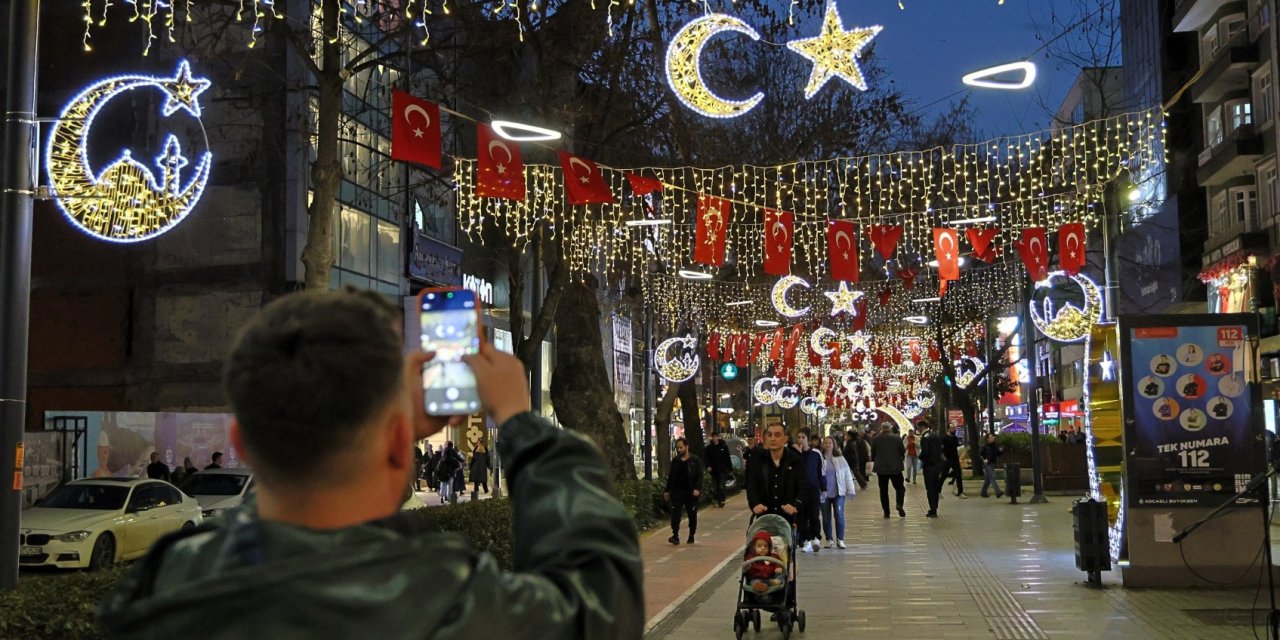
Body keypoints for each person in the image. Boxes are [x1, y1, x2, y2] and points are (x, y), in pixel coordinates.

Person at [98, 288, 643, 639]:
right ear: (398, 437)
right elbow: (601, 605)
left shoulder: (158, 590)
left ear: (240, 443)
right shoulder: (452, 603)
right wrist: (523, 424)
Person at [746, 423, 806, 521]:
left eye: (777, 435)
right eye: (769, 435)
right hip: (764, 517)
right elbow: (751, 486)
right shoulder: (758, 460)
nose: (773, 439)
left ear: (785, 438)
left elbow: (804, 487)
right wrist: (755, 504)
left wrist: (795, 505)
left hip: (789, 519)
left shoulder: (795, 460)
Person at [819, 436, 857, 549]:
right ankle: (829, 539)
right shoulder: (819, 458)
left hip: (838, 492)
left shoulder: (840, 458)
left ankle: (840, 539)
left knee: (839, 515)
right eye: (825, 443)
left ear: (834, 444)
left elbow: (847, 474)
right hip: (824, 493)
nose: (827, 445)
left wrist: (851, 490)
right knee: (826, 516)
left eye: (830, 443)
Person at [664, 437, 702, 545]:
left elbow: (700, 476)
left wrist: (697, 489)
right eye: (677, 448)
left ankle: (691, 535)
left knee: (692, 514)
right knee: (676, 514)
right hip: (677, 491)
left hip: (690, 492)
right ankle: (675, 535)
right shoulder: (675, 461)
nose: (679, 450)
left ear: (686, 447)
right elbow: (671, 476)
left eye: (681, 447)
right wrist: (667, 490)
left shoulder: (695, 460)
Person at [793, 429, 825, 554]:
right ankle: (806, 540)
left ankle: (816, 538)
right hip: (799, 489)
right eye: (799, 437)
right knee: (801, 515)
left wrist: (824, 488)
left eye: (803, 437)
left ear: (808, 439)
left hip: (813, 488)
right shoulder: (794, 454)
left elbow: (820, 472)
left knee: (814, 514)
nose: (800, 439)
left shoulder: (816, 454)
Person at [870, 423, 906, 518]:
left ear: (881, 429)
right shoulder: (897, 438)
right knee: (900, 488)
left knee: (883, 491)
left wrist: (876, 460)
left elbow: (873, 453)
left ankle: (886, 512)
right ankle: (899, 504)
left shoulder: (876, 439)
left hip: (881, 469)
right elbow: (902, 451)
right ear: (890, 429)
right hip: (896, 468)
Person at [918, 424, 945, 517]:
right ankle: (935, 507)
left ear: (922, 427)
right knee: (935, 488)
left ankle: (932, 509)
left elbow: (925, 452)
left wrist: (920, 457)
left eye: (918, 427)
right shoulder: (935, 435)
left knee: (930, 489)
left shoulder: (925, 438)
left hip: (929, 466)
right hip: (937, 466)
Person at [705, 432, 732, 508]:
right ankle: (716, 499)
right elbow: (706, 458)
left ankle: (722, 500)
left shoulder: (724, 447)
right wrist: (708, 466)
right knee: (715, 487)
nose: (714, 438)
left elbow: (727, 458)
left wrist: (730, 469)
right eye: (713, 437)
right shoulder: (709, 448)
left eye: (715, 437)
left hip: (722, 470)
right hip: (713, 471)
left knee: (721, 486)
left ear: (718, 437)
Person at [942, 427, 967, 498]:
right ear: (949, 429)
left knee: (958, 475)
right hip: (948, 459)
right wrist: (944, 458)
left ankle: (960, 492)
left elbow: (956, 446)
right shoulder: (944, 438)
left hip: (955, 459)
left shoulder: (955, 438)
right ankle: (938, 490)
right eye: (952, 428)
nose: (954, 430)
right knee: (944, 475)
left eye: (954, 429)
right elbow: (942, 450)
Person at [979, 434, 1005, 499]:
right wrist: (984, 460)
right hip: (987, 464)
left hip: (992, 464)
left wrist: (1001, 451)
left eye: (992, 437)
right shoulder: (984, 446)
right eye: (990, 437)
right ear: (987, 439)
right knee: (992, 476)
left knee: (988, 479)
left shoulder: (994, 446)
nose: (992, 438)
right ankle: (998, 492)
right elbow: (980, 454)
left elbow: (998, 453)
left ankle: (983, 492)